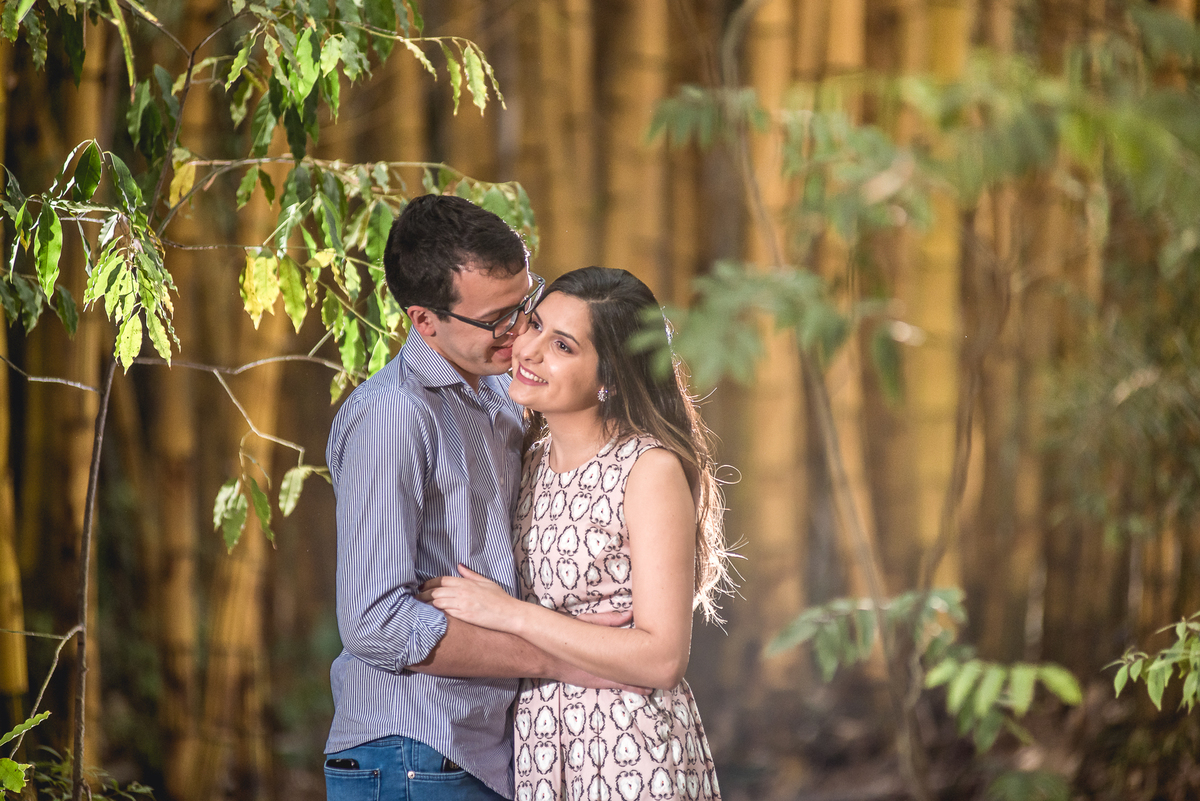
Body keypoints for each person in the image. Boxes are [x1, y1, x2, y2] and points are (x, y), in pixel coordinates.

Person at [324, 196, 631, 801]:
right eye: (497, 320)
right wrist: (553, 658)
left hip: (486, 751)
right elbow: (375, 623)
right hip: (411, 750)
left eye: (526, 304)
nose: (519, 331)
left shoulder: (501, 398)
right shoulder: (393, 415)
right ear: (424, 320)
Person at [425, 267, 728, 801]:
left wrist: (511, 614)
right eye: (534, 324)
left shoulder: (645, 469)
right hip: (541, 744)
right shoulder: (528, 459)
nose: (529, 349)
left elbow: (662, 658)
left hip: (628, 747)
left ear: (608, 374)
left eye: (562, 345)